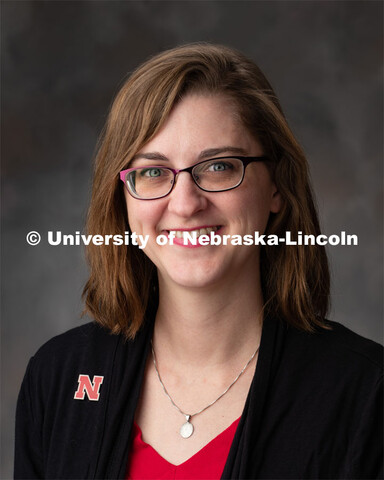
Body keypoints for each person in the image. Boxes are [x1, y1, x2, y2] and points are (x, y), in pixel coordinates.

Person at [14, 43, 382, 479]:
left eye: (220, 167)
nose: (185, 204)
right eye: (153, 172)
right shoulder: (57, 377)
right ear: (123, 197)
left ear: (277, 188)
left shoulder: (366, 392)